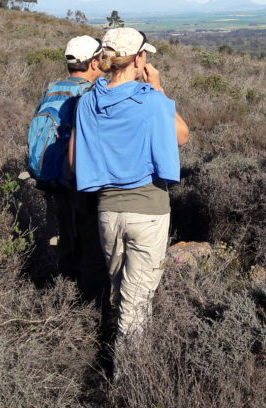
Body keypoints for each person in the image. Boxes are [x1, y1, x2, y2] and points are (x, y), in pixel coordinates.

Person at [71, 27, 189, 339]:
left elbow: (75, 160)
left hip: (108, 210)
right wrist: (160, 89)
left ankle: (115, 356)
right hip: (148, 209)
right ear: (137, 59)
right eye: (144, 54)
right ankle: (130, 381)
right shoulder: (149, 100)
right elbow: (182, 135)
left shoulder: (86, 103)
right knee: (136, 303)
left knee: (121, 291)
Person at [33, 35, 108, 301]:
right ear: (94, 62)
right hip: (83, 178)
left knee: (66, 236)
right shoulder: (90, 94)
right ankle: (88, 301)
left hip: (53, 176)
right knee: (90, 240)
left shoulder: (53, 89)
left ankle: (64, 292)